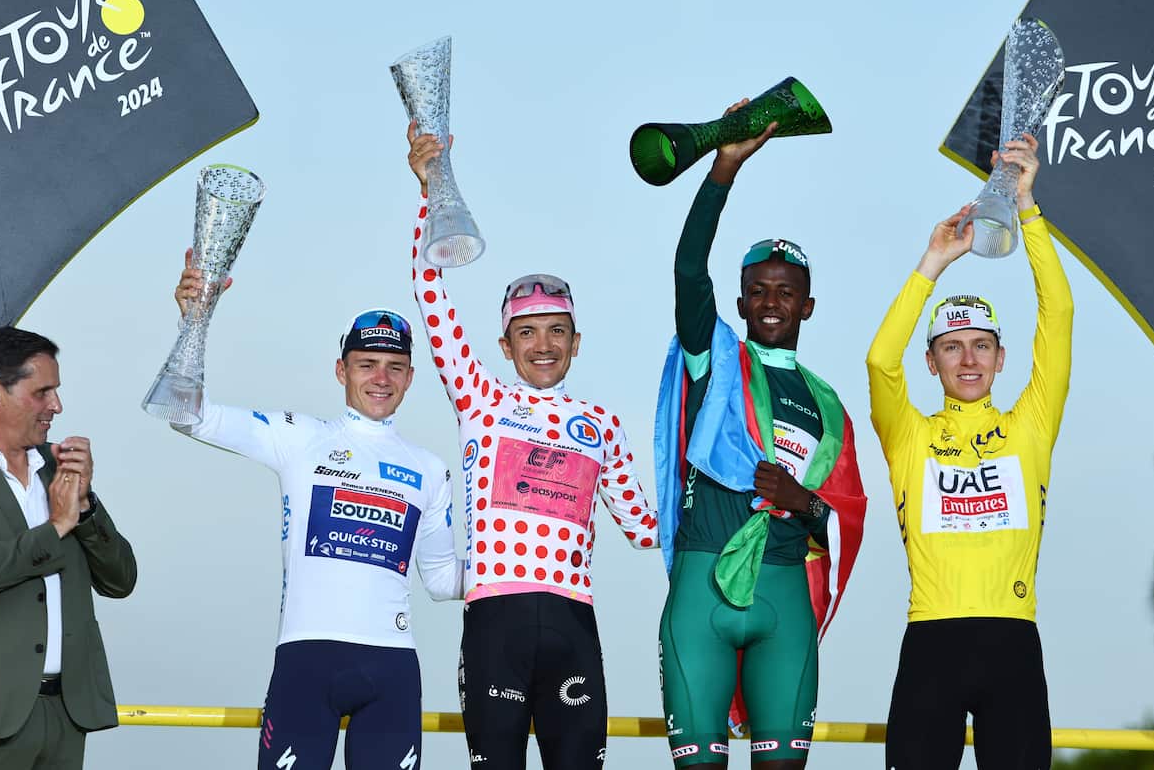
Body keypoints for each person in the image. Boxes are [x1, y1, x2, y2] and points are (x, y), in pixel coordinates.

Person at [406, 122, 659, 770]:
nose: (542, 345)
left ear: (577, 342)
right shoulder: (481, 399)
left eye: (556, 331)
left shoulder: (600, 421)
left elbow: (645, 526)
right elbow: (431, 298)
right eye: (527, 333)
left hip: (575, 623)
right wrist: (428, 194)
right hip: (497, 619)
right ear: (505, 346)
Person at [167, 254, 461, 770]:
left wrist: (529, 564)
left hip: (391, 665)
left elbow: (441, 580)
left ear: (411, 377)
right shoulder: (298, 436)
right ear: (341, 369)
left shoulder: (429, 469)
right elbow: (185, 413)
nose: (381, 378)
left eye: (394, 367)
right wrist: (194, 321)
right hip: (307, 658)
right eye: (366, 363)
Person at [653, 103, 867, 770]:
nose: (771, 301)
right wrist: (723, 168)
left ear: (807, 304)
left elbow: (845, 516)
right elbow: (689, 270)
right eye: (758, 290)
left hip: (784, 598)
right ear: (741, 302)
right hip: (701, 589)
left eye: (786, 291)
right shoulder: (714, 358)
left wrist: (801, 500)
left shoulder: (828, 404)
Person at [866, 133, 1072, 770]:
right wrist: (933, 263)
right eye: (952, 347)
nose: (968, 358)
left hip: (1013, 640)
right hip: (931, 640)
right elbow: (878, 360)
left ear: (1002, 358)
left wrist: (1030, 212)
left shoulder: (1029, 425)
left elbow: (1058, 312)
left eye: (982, 345)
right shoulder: (912, 434)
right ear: (931, 362)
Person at [0, 326, 137, 770]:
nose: (57, 406)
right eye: (43, 392)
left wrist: (87, 508)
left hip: (66, 714)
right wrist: (55, 528)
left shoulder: (57, 470)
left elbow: (121, 580)